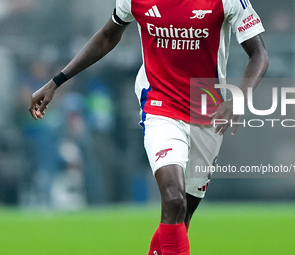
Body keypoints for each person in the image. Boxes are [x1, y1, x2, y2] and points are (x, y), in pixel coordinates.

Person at [29, 0, 269, 254]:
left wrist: (241, 97)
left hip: (207, 113)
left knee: (182, 215)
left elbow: (259, 53)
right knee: (173, 198)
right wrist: (56, 82)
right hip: (160, 107)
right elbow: (106, 36)